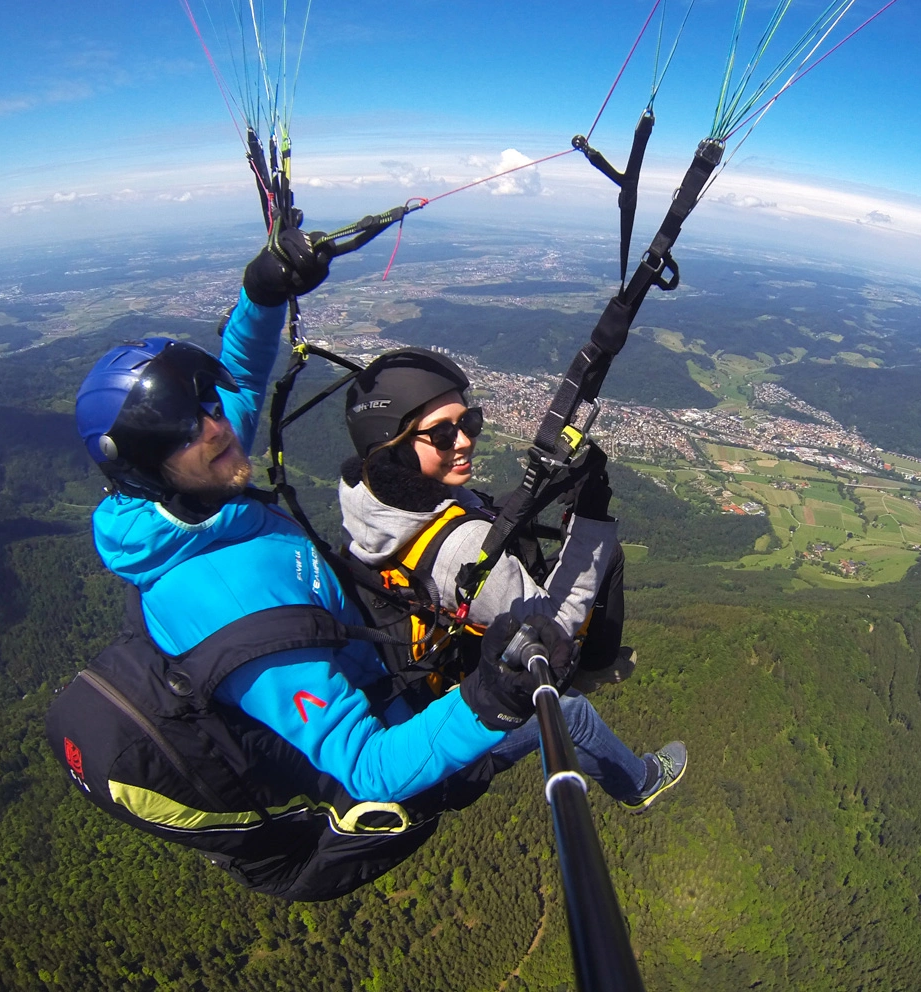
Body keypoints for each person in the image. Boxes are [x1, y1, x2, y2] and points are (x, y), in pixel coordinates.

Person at [71, 230, 578, 901]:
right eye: (188, 427)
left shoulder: (186, 499)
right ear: (145, 464)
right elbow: (369, 767)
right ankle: (637, 781)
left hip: (352, 641)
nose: (216, 426)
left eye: (203, 404)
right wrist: (486, 701)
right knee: (569, 715)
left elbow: (243, 382)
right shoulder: (232, 607)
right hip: (389, 735)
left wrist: (261, 295)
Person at [337, 348, 685, 811]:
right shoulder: (462, 549)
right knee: (570, 711)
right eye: (442, 434)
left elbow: (462, 520)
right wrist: (591, 521)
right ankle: (639, 784)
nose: (463, 441)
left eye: (470, 422)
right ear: (393, 444)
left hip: (402, 688)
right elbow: (554, 632)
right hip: (439, 739)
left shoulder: (369, 500)